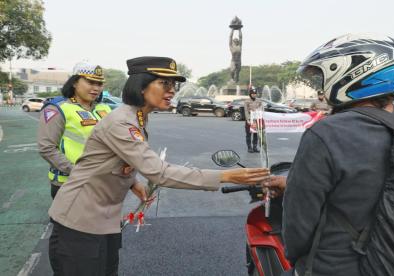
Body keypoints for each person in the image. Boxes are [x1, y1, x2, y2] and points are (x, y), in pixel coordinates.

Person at [48, 56, 270, 276]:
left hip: (104, 219)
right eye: (164, 83)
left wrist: (132, 182)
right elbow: (160, 172)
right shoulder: (122, 122)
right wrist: (227, 176)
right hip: (80, 222)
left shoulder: (138, 117)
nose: (172, 90)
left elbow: (112, 159)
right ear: (141, 86)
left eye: (174, 84)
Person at [263, 34, 394, 276]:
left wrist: (294, 255)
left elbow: (300, 222)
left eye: (323, 76)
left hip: (337, 265)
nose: (321, 88)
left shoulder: (327, 133)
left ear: (352, 73)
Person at [37, 62, 111, 199]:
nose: (96, 88)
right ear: (74, 82)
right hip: (69, 183)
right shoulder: (57, 109)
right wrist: (78, 171)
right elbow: (46, 148)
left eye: (99, 84)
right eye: (90, 82)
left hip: (101, 181)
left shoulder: (104, 109)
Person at [243, 86, 263, 153]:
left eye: (255, 94)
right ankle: (249, 147)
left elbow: (262, 108)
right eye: (252, 94)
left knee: (256, 134)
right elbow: (246, 110)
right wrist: (248, 119)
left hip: (256, 119)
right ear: (250, 94)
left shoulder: (259, 101)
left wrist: (258, 110)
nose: (254, 95)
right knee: (248, 134)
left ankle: (255, 147)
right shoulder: (247, 101)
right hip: (250, 119)